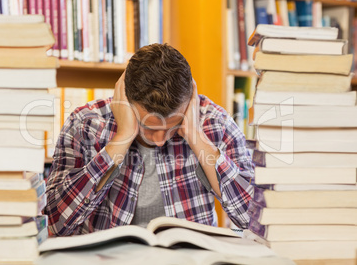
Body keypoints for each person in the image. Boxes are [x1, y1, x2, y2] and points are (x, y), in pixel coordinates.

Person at [44, 43, 254, 236]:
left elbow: (252, 219)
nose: (161, 140)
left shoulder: (215, 122)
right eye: (148, 127)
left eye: (172, 126)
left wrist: (196, 136)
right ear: (124, 99)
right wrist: (121, 138)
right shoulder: (85, 124)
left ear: (190, 100)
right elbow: (56, 223)